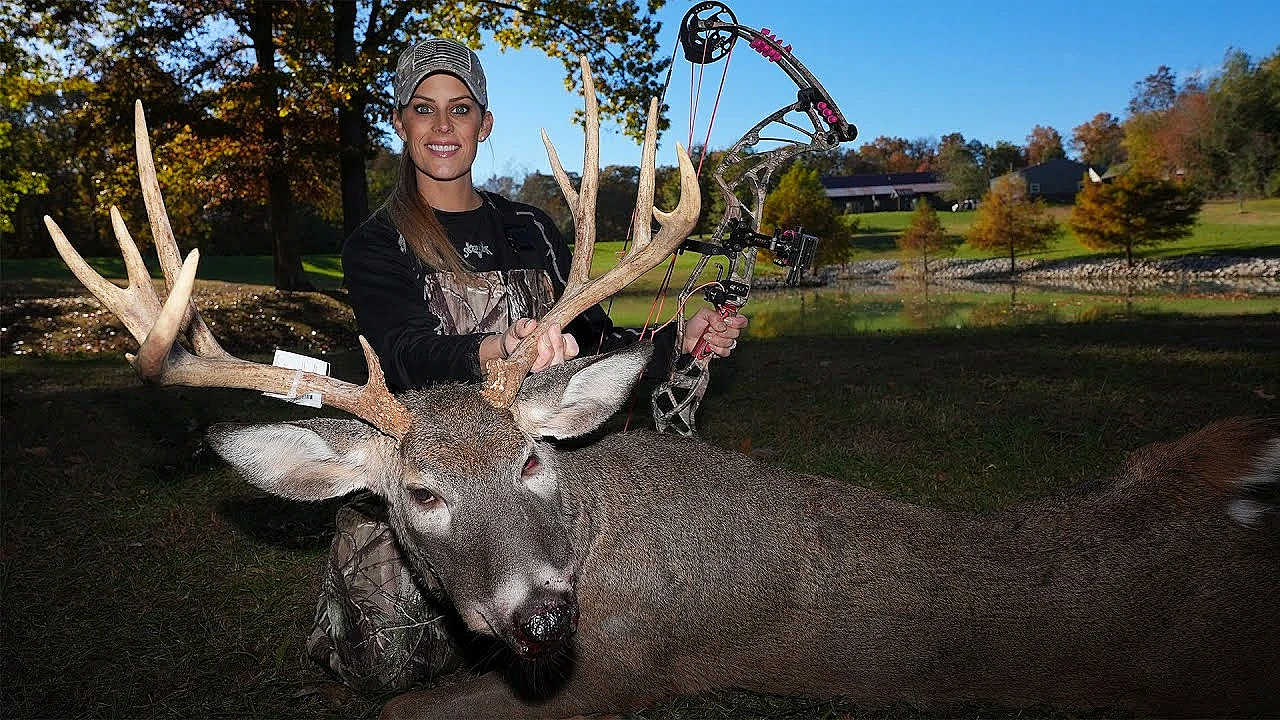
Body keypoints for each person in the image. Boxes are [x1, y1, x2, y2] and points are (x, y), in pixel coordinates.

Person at [309, 37, 747, 692]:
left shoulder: (530, 228)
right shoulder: (378, 243)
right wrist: (497, 350)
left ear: (485, 124)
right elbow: (405, 350)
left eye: (460, 109)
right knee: (378, 662)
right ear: (400, 124)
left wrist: (679, 339)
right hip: (433, 468)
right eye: (423, 109)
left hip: (528, 459)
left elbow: (592, 337)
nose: (442, 126)